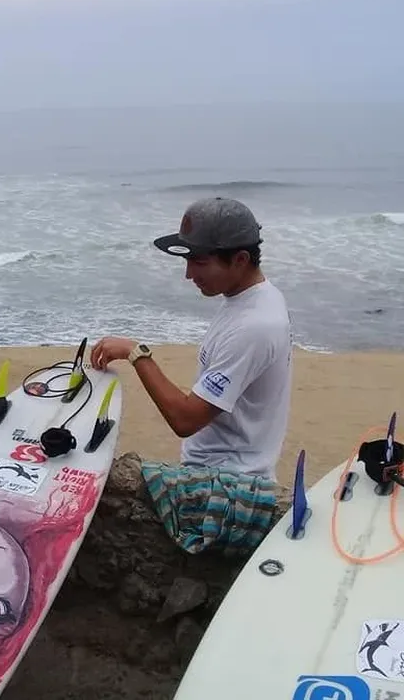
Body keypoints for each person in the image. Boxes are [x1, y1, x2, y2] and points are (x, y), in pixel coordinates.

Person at [90, 196, 293, 554]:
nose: (189, 274)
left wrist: (137, 354)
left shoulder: (254, 326)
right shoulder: (252, 299)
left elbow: (185, 419)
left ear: (240, 259)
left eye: (199, 262)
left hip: (227, 483)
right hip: (225, 467)